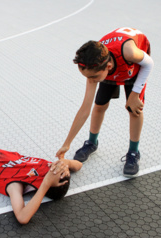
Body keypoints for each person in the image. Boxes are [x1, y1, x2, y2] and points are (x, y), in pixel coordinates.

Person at [56, 27, 153, 177]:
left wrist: (135, 94)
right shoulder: (94, 68)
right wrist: (66, 143)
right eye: (87, 77)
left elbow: (149, 63)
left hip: (134, 67)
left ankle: (133, 152)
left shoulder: (129, 52)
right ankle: (92, 143)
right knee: (99, 105)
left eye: (93, 78)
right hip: (112, 68)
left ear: (107, 67)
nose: (90, 81)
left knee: (134, 109)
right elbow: (85, 109)